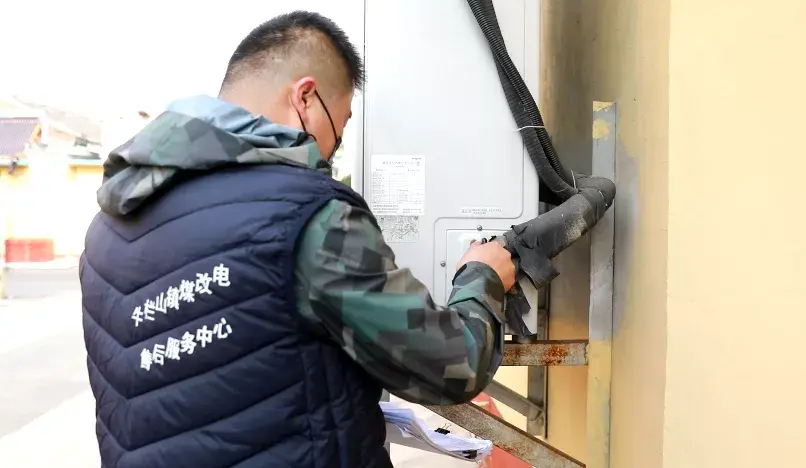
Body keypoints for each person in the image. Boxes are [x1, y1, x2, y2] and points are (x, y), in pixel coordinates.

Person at [80, 10, 515, 468]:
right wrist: (481, 277)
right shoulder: (306, 216)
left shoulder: (106, 230)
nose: (331, 151)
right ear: (305, 98)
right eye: (338, 131)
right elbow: (453, 365)